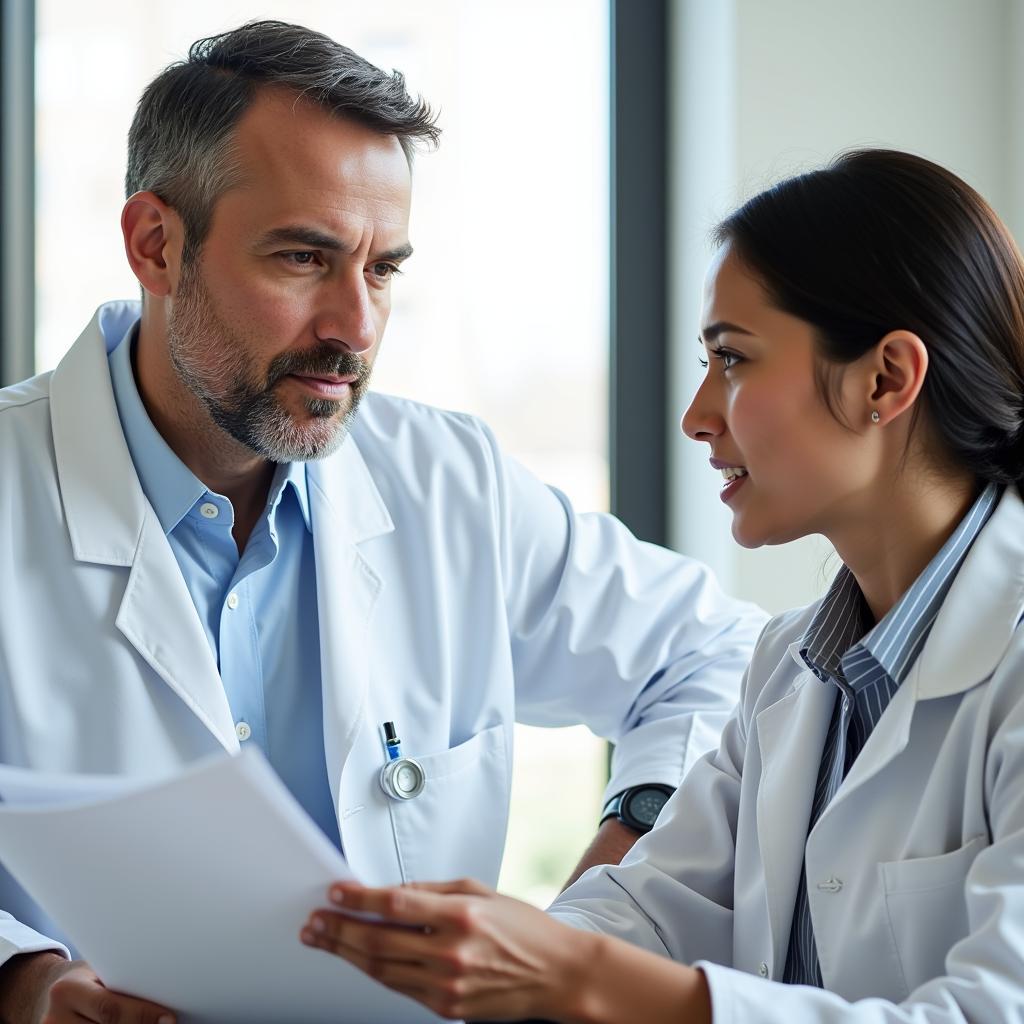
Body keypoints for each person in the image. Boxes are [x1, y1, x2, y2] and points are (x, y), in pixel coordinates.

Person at [0, 19, 765, 1023]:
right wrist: (26, 980)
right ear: (156, 244)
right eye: (303, 258)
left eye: (382, 269)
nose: (355, 326)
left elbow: (719, 657)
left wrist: (601, 901)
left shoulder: (450, 485)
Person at [304, 148, 1024, 1024]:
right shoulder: (790, 669)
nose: (696, 415)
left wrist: (571, 977)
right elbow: (649, 912)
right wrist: (485, 950)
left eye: (734, 360)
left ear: (886, 379)